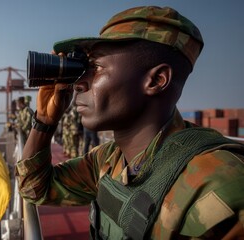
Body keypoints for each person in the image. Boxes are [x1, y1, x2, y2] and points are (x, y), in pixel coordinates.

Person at [16, 6, 244, 239]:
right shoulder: (108, 158)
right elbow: (34, 188)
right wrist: (44, 121)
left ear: (156, 80)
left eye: (95, 68)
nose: (79, 84)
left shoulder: (220, 184)